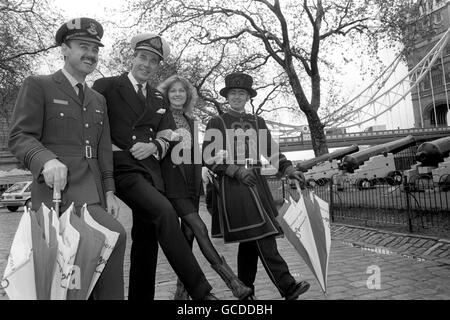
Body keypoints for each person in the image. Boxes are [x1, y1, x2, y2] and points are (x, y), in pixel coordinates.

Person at [8, 18, 126, 299]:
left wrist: (109, 189)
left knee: (97, 251)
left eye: (95, 49)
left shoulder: (98, 99)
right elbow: (20, 136)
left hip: (93, 191)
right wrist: (45, 159)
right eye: (83, 46)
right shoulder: (39, 85)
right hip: (57, 193)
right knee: (97, 246)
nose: (91, 54)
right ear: (64, 49)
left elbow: (103, 149)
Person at [92, 33, 216, 300]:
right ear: (133, 58)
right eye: (143, 57)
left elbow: (169, 136)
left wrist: (154, 146)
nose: (147, 65)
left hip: (150, 172)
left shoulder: (159, 100)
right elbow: (90, 123)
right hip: (121, 169)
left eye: (153, 61)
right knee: (164, 212)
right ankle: (201, 291)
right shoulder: (107, 86)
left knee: (146, 242)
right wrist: (113, 148)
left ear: (158, 66)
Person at [202, 72, 311, 300]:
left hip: (257, 184)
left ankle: (246, 292)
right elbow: (208, 156)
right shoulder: (216, 122)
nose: (237, 97)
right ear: (227, 96)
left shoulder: (257, 122)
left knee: (252, 241)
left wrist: (288, 169)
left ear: (248, 96)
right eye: (233, 93)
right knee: (263, 233)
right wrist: (235, 170)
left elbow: (270, 150)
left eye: (242, 93)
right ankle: (287, 286)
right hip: (234, 187)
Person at [157, 75, 252, 300]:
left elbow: (192, 153)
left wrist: (213, 156)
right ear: (167, 95)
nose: (178, 94)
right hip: (173, 183)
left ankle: (181, 293)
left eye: (182, 91)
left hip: (191, 182)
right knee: (200, 228)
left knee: (188, 235)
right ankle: (233, 282)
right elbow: (160, 149)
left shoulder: (191, 119)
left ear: (188, 95)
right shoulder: (161, 117)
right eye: (173, 91)